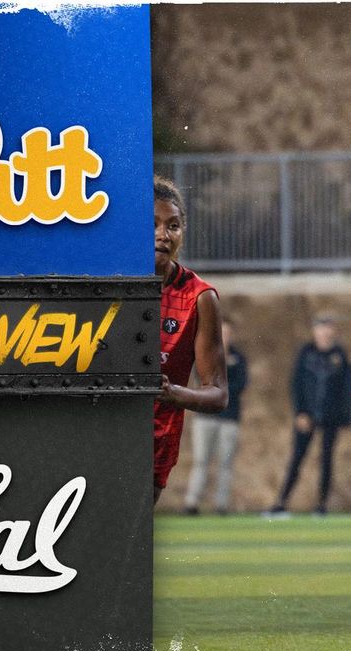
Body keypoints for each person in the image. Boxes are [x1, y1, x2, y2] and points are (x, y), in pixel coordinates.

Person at [153, 176, 228, 505]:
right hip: (103, 432)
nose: (163, 235)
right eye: (152, 224)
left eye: (173, 226)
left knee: (131, 546)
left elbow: (218, 393)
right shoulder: (110, 283)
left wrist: (172, 393)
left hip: (156, 441)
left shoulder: (199, 297)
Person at [267, 315, 350, 517]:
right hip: (307, 415)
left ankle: (321, 504)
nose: (324, 333)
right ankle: (281, 502)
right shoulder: (306, 352)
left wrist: (343, 417)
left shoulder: (339, 355)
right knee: (297, 457)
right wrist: (300, 412)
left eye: (328, 329)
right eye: (320, 329)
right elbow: (296, 385)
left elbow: (345, 389)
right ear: (315, 331)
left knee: (327, 459)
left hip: (330, 417)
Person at [183, 320, 248, 515]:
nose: (224, 336)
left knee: (225, 462)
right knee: (201, 460)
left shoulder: (238, 358)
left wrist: (220, 387)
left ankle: (221, 504)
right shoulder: (204, 353)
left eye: (228, 332)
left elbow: (241, 385)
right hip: (205, 417)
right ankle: (192, 502)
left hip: (229, 417)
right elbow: (201, 381)